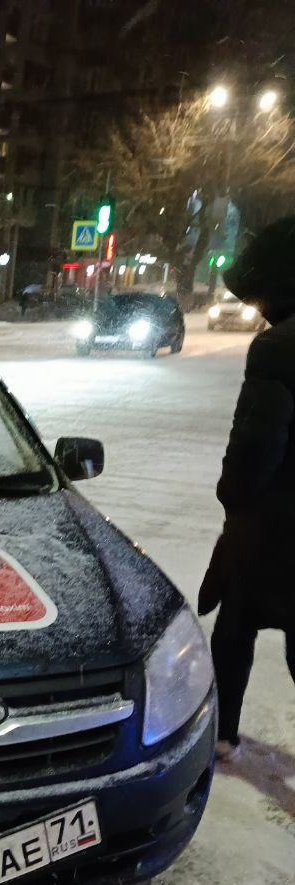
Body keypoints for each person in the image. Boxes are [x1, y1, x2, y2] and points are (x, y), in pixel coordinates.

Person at [198, 217, 295, 761]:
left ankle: (223, 734)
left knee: (235, 627)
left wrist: (232, 496)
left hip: (273, 531)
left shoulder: (277, 350)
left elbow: (256, 450)